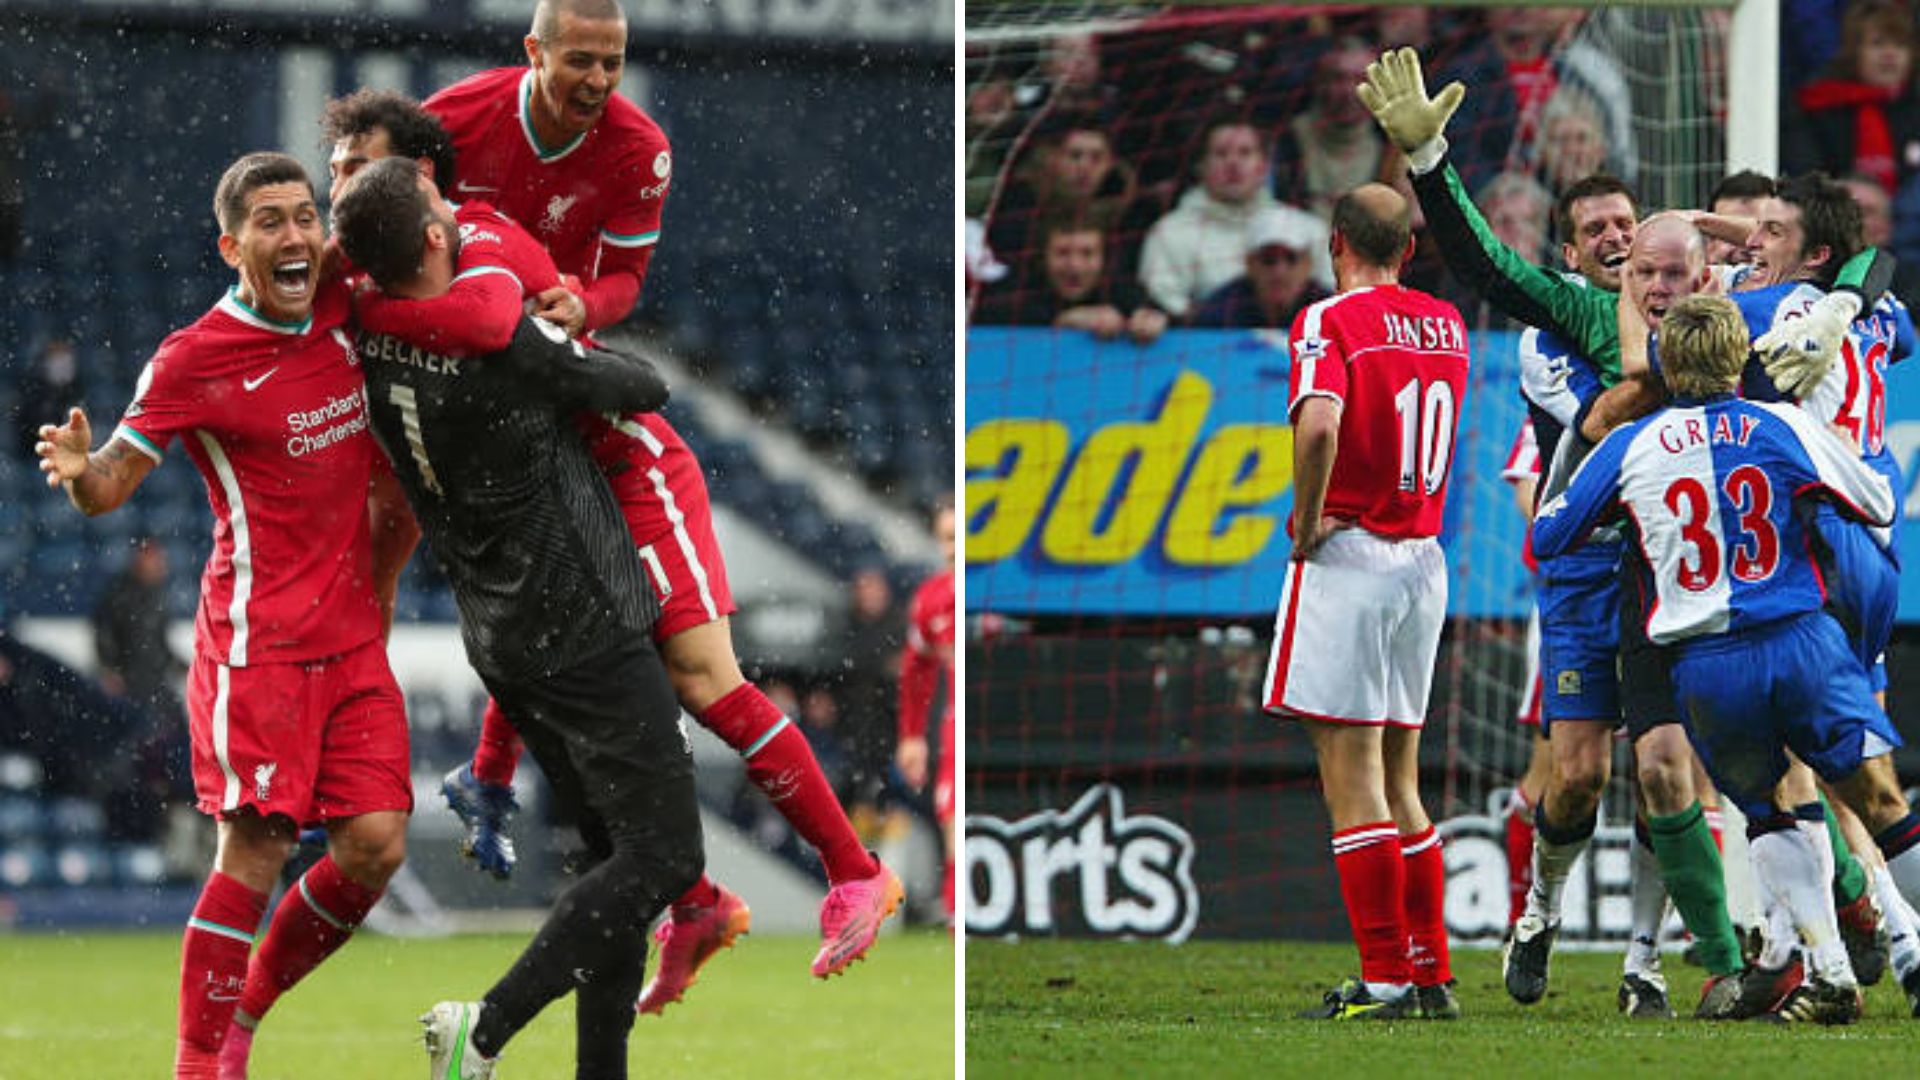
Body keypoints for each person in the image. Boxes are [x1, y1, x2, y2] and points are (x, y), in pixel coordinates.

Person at [420, 7, 909, 995]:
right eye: (580, 61)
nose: (598, 79)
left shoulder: (636, 152)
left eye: (613, 62)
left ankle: (855, 873)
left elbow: (628, 281)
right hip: (542, 452)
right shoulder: (452, 128)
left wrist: (579, 305)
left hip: (625, 462)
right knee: (573, 685)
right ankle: (694, 903)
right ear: (533, 52)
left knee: (699, 677)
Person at [33, 151, 416, 1079]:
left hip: (356, 636)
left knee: (374, 846)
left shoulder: (339, 296)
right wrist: (85, 474)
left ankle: (243, 1007)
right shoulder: (195, 356)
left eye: (304, 216)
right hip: (262, 645)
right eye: (270, 222)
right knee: (258, 846)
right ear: (230, 245)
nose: (294, 235)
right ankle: (200, 1065)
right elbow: (114, 480)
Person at [334, 153, 692, 1079]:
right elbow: (641, 386)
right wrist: (559, 314)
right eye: (436, 208)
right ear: (434, 237)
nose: (451, 212)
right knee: (665, 857)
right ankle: (481, 1030)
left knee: (612, 857)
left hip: (502, 637)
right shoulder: (500, 348)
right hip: (584, 621)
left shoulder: (370, 336)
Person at [1533, 293, 1920, 1024]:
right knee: (1882, 804)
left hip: (1706, 664)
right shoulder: (1782, 424)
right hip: (1804, 642)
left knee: (1766, 815)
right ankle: (1863, 960)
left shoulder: (1630, 446)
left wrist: (1580, 448)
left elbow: (1551, 537)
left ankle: (1828, 969)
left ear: (1667, 365)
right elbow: (1876, 501)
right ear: (1740, 356)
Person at [1264, 183, 1467, 1021]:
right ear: (1408, 249)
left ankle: (1384, 979)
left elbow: (1318, 427)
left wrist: (1307, 522)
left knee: (1351, 781)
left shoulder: (1327, 321)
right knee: (1402, 779)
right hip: (1423, 560)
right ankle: (1431, 973)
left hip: (1351, 557)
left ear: (1334, 241)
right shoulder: (1446, 324)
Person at [1137, 116, 1331, 319]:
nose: (1233, 163)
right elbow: (1163, 305)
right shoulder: (1169, 232)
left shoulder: (1309, 229)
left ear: (1264, 167)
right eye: (1221, 154)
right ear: (1200, 166)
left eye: (1245, 153)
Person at [1784, 0, 1920, 198]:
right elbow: (1809, 177)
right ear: (1855, 52)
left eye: (1900, 45)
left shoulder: (1914, 110)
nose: (1889, 55)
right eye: (1878, 43)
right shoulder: (1821, 107)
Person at [898, 495, 956, 923]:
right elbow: (917, 669)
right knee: (955, 838)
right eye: (947, 538)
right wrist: (913, 735)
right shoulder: (932, 599)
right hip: (956, 732)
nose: (955, 548)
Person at [973, 216, 1168, 341]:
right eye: (1063, 253)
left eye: (1087, 254)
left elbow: (1164, 314)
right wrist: (1062, 321)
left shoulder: (1120, 289)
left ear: (1103, 260)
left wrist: (1151, 320)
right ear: (1043, 258)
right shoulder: (1013, 292)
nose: (1075, 265)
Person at [1271, 37, 1388, 223]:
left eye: (1361, 79)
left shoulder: (1392, 150)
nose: (1349, 91)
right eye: (1338, 78)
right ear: (1319, 84)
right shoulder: (1286, 141)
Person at [1188, 207, 1331, 330]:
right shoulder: (1219, 311)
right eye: (1268, 260)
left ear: (1307, 265)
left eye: (1291, 259)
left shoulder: (1332, 311)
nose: (1279, 272)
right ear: (1249, 264)